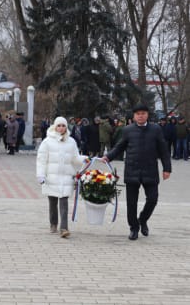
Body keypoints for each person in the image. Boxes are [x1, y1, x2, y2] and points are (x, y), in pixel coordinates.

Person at [102, 103, 171, 240]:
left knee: (152, 199)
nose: (140, 116)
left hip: (150, 170)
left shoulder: (155, 129)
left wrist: (167, 168)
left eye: (143, 113)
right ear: (134, 116)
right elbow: (120, 146)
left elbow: (163, 150)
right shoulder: (128, 130)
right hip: (132, 170)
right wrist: (108, 156)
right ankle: (133, 228)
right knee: (131, 203)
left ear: (147, 115)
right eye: (138, 114)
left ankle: (143, 219)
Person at [36, 116, 88, 238]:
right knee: (53, 203)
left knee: (64, 202)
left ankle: (64, 228)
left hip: (65, 177)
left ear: (66, 127)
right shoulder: (47, 142)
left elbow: (75, 158)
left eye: (63, 125)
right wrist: (41, 174)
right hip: (51, 177)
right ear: (55, 126)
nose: (61, 128)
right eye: (59, 125)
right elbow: (41, 160)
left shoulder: (71, 142)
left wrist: (84, 159)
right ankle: (53, 223)